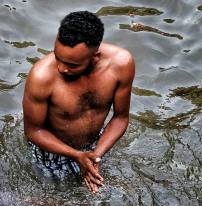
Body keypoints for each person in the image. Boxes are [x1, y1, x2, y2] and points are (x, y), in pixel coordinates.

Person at [23, 11, 135, 193]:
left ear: (95, 56)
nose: (61, 68)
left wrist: (95, 157)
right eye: (57, 57)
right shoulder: (41, 77)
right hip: (52, 152)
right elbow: (33, 131)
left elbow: (121, 117)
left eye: (72, 65)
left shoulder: (121, 64)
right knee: (60, 205)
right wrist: (76, 155)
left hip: (96, 145)